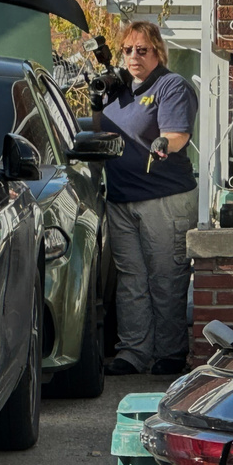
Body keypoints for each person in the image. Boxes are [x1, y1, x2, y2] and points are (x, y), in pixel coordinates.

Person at [90, 21, 198, 376]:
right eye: (127, 50)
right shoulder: (119, 88)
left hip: (164, 199)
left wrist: (165, 142)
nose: (134, 56)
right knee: (131, 279)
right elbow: (101, 131)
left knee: (165, 278)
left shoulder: (171, 86)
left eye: (142, 49)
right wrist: (97, 101)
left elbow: (177, 134)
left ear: (158, 52)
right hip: (121, 198)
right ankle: (133, 353)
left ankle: (170, 352)